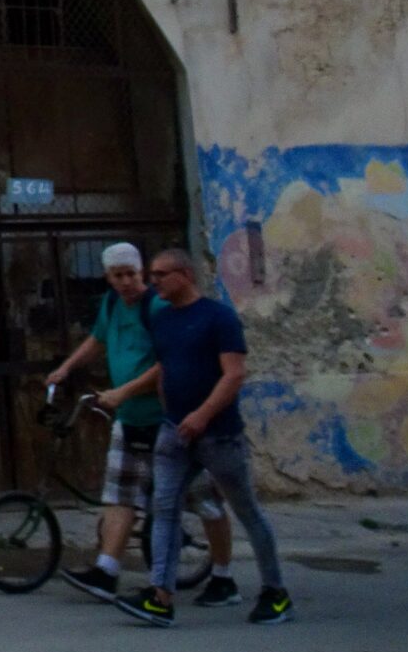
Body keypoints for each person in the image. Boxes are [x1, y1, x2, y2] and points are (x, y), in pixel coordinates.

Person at [45, 242, 238, 605]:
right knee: (119, 495)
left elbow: (168, 363)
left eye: (131, 274)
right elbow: (97, 340)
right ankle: (106, 571)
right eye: (117, 276)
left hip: (168, 419)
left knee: (204, 502)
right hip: (130, 419)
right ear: (108, 278)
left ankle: (224, 577)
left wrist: (124, 392)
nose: (126, 282)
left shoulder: (160, 308)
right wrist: (67, 367)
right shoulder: (112, 304)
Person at [114, 247, 295, 628]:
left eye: (161, 274)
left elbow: (234, 374)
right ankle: (160, 597)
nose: (155, 281)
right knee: (164, 508)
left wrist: (202, 414)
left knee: (245, 509)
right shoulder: (162, 321)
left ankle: (275, 593)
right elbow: (166, 366)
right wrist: (171, 410)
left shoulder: (218, 318)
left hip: (218, 434)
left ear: (185, 275)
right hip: (174, 431)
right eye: (153, 274)